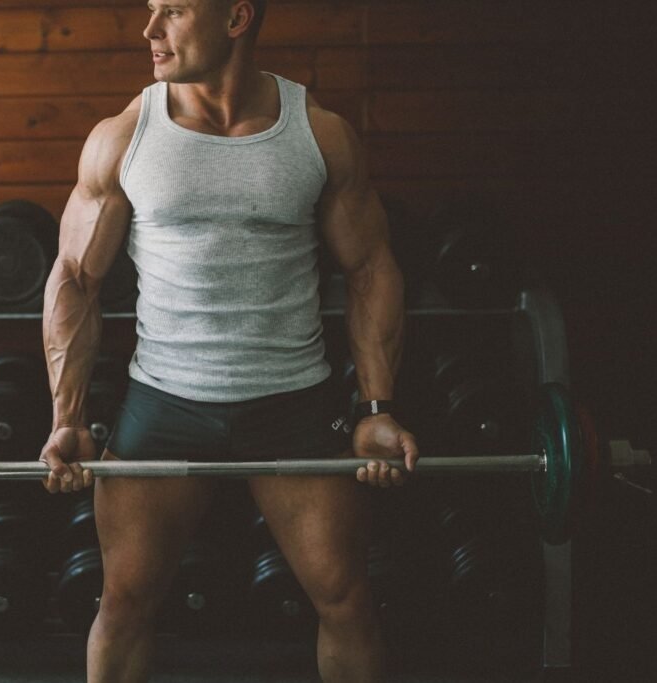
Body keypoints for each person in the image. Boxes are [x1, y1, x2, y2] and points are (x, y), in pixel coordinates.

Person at [39, 1, 419, 681]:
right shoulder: (124, 137)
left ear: (237, 17)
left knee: (346, 599)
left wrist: (374, 409)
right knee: (123, 603)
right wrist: (65, 419)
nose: (151, 30)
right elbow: (74, 279)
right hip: (165, 405)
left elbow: (370, 270)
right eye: (150, 9)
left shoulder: (319, 134)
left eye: (175, 10)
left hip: (294, 404)